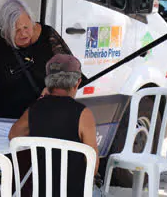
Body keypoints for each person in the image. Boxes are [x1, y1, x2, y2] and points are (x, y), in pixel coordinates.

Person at [0, 0, 80, 120]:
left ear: (31, 20)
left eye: (26, 27)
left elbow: (72, 70)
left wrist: (52, 88)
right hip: (2, 117)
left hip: (42, 117)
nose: (23, 34)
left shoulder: (48, 36)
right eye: (17, 30)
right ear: (5, 31)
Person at [9, 54, 99, 197]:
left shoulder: (34, 109)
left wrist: (41, 99)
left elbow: (14, 135)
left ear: (48, 83)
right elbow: (93, 167)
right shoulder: (83, 114)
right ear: (77, 83)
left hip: (41, 192)